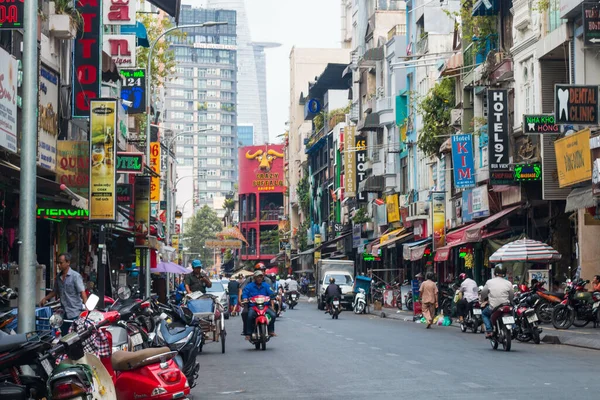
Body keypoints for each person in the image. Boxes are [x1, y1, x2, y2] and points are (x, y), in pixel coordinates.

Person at [40, 252, 88, 334]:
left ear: (68, 262)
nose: (59, 265)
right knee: (64, 335)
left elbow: (82, 293)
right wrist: (45, 298)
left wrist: (87, 309)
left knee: (74, 336)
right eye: (58, 263)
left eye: (61, 263)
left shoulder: (75, 276)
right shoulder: (58, 277)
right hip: (64, 313)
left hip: (75, 313)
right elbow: (55, 291)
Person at [480, 264, 514, 338]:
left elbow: (483, 293)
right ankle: (514, 327)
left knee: (484, 314)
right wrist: (510, 302)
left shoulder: (489, 282)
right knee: (512, 312)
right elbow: (511, 295)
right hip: (506, 305)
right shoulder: (508, 283)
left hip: (493, 307)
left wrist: (481, 300)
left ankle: (489, 330)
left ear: (495, 272)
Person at [239, 263, 273, 335]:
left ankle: (271, 330)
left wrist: (273, 298)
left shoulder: (267, 283)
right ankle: (247, 332)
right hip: (253, 305)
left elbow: (271, 293)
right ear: (254, 277)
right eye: (258, 276)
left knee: (273, 314)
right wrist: (243, 299)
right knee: (248, 315)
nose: (259, 278)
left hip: (265, 305)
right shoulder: (249, 284)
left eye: (261, 276)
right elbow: (243, 291)